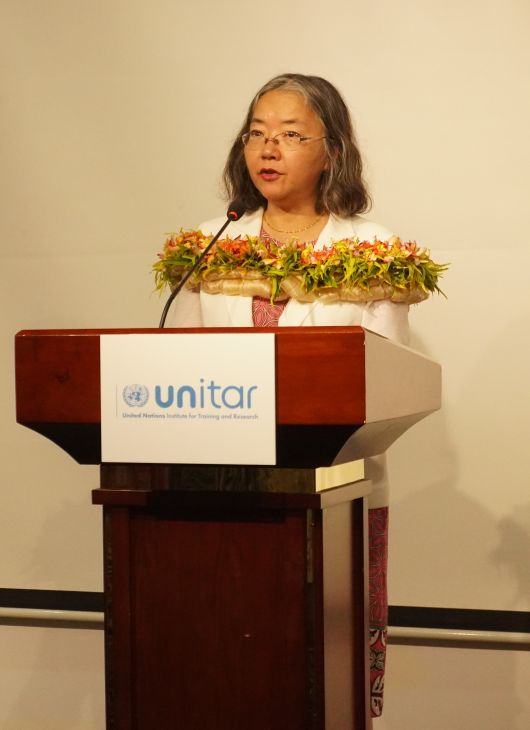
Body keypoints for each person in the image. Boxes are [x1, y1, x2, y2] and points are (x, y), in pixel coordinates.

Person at [165, 73, 402, 718]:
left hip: (335, 492)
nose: (268, 150)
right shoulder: (209, 242)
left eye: (292, 135)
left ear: (333, 151)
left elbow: (384, 381)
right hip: (218, 492)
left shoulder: (370, 249)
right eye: (257, 134)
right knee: (227, 665)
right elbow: (172, 365)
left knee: (328, 675)